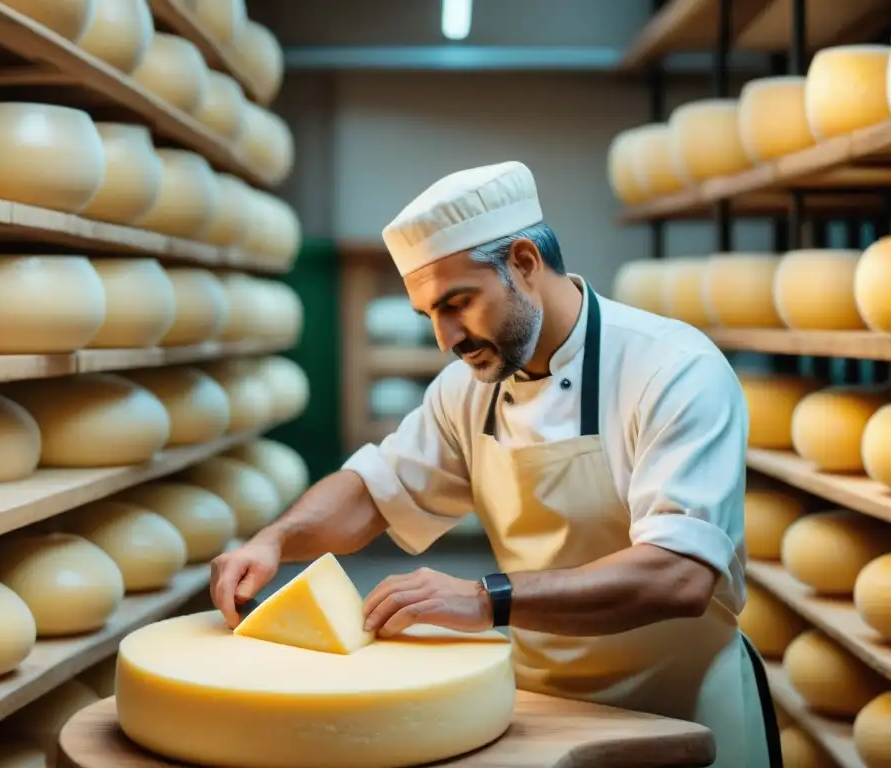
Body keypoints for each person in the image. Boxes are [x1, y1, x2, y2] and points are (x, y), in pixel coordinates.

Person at [211, 161, 781, 768]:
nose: (445, 337)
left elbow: (679, 577)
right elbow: (375, 490)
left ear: (526, 263)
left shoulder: (673, 371)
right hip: (544, 712)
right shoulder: (469, 388)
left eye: (458, 303)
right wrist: (274, 540)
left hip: (684, 710)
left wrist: (487, 598)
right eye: (428, 314)